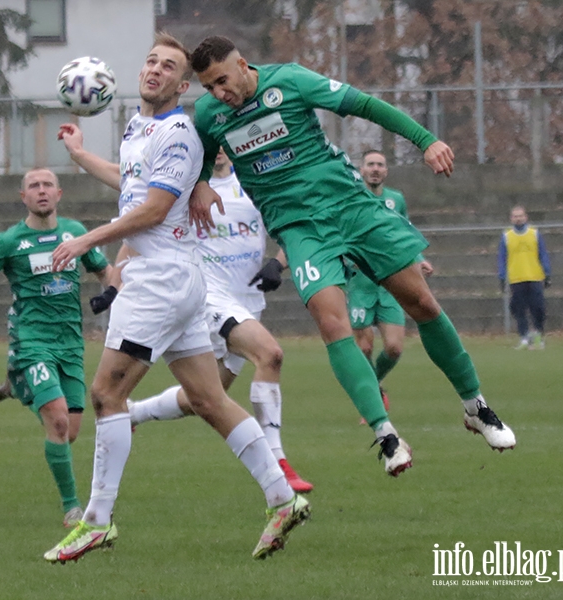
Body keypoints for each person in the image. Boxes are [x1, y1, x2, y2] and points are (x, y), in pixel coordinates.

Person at [189, 36, 516, 477]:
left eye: (222, 81)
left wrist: (426, 140)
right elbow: (202, 158)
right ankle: (386, 435)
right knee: (331, 323)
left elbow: (365, 105)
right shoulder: (210, 114)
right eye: (208, 87)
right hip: (300, 228)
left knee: (420, 303)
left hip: (351, 207)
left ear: (243, 65)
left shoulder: (291, 80)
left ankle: (475, 406)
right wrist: (202, 182)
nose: (217, 94)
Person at [43, 33, 309, 565]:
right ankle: (282, 498)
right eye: (150, 62)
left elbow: (154, 209)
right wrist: (78, 155)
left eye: (168, 67)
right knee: (209, 400)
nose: (155, 71)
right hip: (180, 280)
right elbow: (132, 185)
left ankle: (95, 521)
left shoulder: (181, 132)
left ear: (183, 85)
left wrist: (86, 240)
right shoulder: (140, 127)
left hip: (160, 281)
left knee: (104, 395)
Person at [126, 148, 313, 492]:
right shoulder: (186, 184)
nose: (222, 148)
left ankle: (134, 412)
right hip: (208, 295)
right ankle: (279, 463)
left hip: (247, 300)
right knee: (270, 354)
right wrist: (78, 154)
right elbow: (139, 207)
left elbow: (295, 230)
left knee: (208, 397)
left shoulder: (253, 182)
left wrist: (278, 263)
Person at [0, 168, 113, 529]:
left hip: (71, 344)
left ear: (60, 193)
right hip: (32, 341)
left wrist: (121, 289)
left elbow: (106, 272)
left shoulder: (76, 233)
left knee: (70, 432)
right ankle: (74, 509)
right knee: (57, 421)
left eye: (47, 186)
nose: (41, 191)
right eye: (33, 187)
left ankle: (19, 384)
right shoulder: (8, 241)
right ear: (22, 196)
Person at [348, 150, 434, 418]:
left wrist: (418, 258)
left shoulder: (395, 200)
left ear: (386, 171)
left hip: (390, 285)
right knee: (363, 347)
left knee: (394, 348)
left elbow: (404, 232)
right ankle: (371, 401)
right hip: (360, 284)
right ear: (361, 170)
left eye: (380, 165)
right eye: (370, 164)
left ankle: (373, 385)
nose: (375, 169)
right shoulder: (350, 197)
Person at [497, 205, 551, 349]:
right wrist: (502, 276)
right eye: (515, 216)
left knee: (538, 308)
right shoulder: (506, 236)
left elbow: (543, 254)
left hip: (534, 276)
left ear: (525, 217)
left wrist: (547, 273)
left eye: (520, 215)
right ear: (511, 218)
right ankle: (524, 337)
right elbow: (502, 258)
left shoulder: (534, 233)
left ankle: (538, 335)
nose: (518, 218)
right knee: (519, 309)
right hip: (516, 278)